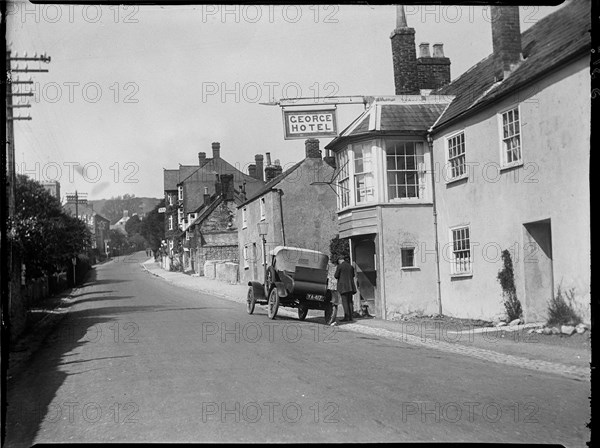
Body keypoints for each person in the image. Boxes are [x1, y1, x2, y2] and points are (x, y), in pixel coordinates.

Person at [334, 255, 357, 322]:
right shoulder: (350, 266)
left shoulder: (340, 266)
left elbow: (336, 276)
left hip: (343, 287)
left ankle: (346, 317)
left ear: (339, 260)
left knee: (345, 302)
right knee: (350, 301)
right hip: (350, 287)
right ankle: (351, 317)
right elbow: (353, 275)